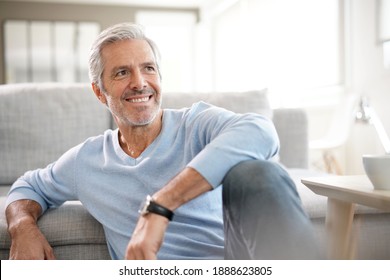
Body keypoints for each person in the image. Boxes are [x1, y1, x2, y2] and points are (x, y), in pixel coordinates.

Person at [5, 22, 318, 260]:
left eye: (148, 68)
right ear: (100, 92)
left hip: (230, 265)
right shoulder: (86, 161)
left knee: (257, 173)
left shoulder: (196, 124)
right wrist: (22, 227)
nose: (140, 83)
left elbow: (261, 131)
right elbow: (28, 187)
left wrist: (161, 205)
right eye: (122, 73)